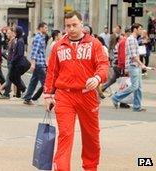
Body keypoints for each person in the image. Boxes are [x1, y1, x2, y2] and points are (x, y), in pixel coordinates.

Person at [44, 11, 109, 170]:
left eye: (74, 25)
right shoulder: (58, 46)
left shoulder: (94, 44)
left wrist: (97, 78)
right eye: (68, 26)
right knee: (65, 135)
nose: (71, 29)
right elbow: (52, 72)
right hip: (64, 95)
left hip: (87, 96)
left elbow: (103, 65)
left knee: (91, 136)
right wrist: (47, 95)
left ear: (81, 24)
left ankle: (90, 167)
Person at [112, 23, 147, 112]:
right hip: (133, 65)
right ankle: (116, 97)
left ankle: (137, 106)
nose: (141, 31)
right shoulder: (131, 39)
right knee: (135, 86)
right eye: (140, 29)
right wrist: (141, 64)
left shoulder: (134, 39)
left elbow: (136, 54)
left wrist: (140, 64)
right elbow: (133, 55)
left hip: (136, 66)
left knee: (138, 87)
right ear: (135, 29)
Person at [23, 22, 48, 105]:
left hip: (40, 63)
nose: (47, 29)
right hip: (38, 63)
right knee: (46, 82)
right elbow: (34, 52)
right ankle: (50, 99)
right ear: (40, 28)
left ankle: (27, 98)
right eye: (45, 28)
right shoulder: (38, 38)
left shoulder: (42, 37)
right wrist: (33, 64)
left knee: (33, 81)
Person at [9, 26, 29, 97]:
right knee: (15, 78)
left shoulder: (20, 41)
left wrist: (13, 60)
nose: (14, 33)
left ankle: (23, 89)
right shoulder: (18, 40)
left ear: (18, 32)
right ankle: (19, 93)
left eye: (15, 32)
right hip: (17, 63)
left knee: (12, 77)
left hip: (18, 64)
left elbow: (20, 54)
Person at [0, 27, 16, 99]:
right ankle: (6, 93)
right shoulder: (10, 41)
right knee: (10, 78)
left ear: (12, 33)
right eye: (7, 33)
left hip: (12, 62)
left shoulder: (14, 41)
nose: (7, 35)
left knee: (10, 78)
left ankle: (5, 92)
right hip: (9, 62)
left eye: (8, 33)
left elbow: (14, 52)